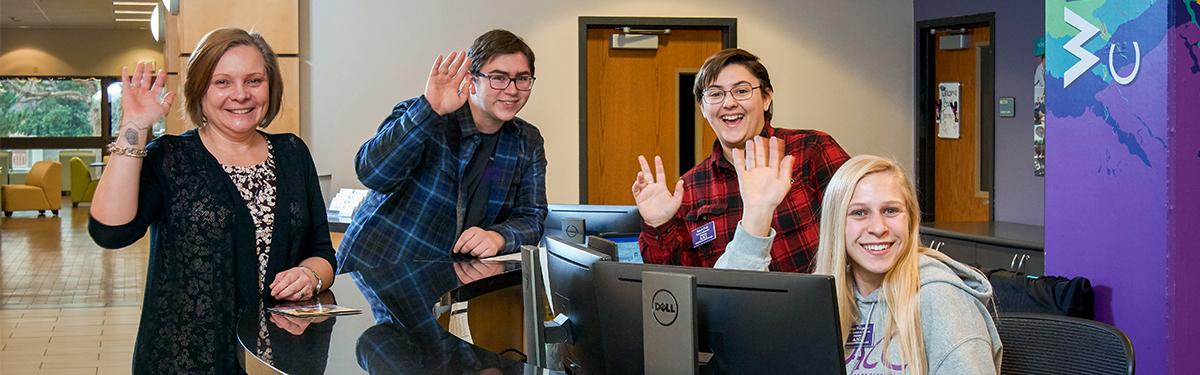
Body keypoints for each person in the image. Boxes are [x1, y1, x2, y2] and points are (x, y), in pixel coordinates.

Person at [89, 28, 335, 374]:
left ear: (270, 87)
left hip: (277, 359)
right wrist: (134, 125)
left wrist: (310, 275)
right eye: (223, 82)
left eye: (253, 80)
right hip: (184, 360)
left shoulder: (293, 153)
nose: (241, 95)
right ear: (200, 89)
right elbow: (111, 233)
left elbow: (322, 251)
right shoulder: (172, 157)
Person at [718, 154, 1003, 374]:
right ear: (836, 224)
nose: (878, 227)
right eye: (859, 213)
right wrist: (757, 213)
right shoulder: (825, 300)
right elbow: (726, 320)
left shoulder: (939, 298)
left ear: (911, 219)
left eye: (891, 210)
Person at [337, 30, 547, 272]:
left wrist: (498, 237)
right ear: (471, 80)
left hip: (450, 281)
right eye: (498, 78)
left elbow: (532, 216)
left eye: (522, 78)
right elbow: (371, 173)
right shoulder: (426, 114)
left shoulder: (527, 140)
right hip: (378, 270)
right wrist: (429, 109)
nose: (512, 90)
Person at [633, 48, 849, 272]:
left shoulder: (811, 150)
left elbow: (859, 228)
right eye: (715, 94)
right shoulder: (690, 188)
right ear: (703, 109)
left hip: (817, 304)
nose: (729, 103)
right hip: (732, 308)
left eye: (741, 91)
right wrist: (658, 225)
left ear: (766, 98)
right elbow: (676, 282)